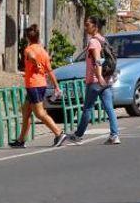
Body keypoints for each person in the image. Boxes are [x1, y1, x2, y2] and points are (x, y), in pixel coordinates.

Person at [9, 25, 67, 148]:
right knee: (26, 111)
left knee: (40, 113)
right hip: (41, 84)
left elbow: (32, 56)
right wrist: (56, 86)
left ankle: (59, 133)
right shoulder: (43, 51)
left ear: (28, 38)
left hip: (33, 85)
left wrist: (35, 64)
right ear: (38, 37)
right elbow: (50, 71)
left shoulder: (29, 49)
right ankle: (21, 140)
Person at [69, 16, 121, 145]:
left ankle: (78, 135)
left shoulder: (93, 42)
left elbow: (97, 61)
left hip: (95, 81)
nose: (85, 27)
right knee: (109, 108)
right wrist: (103, 78)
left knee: (87, 109)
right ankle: (115, 135)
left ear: (95, 27)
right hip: (105, 80)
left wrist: (99, 77)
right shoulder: (103, 40)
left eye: (87, 25)